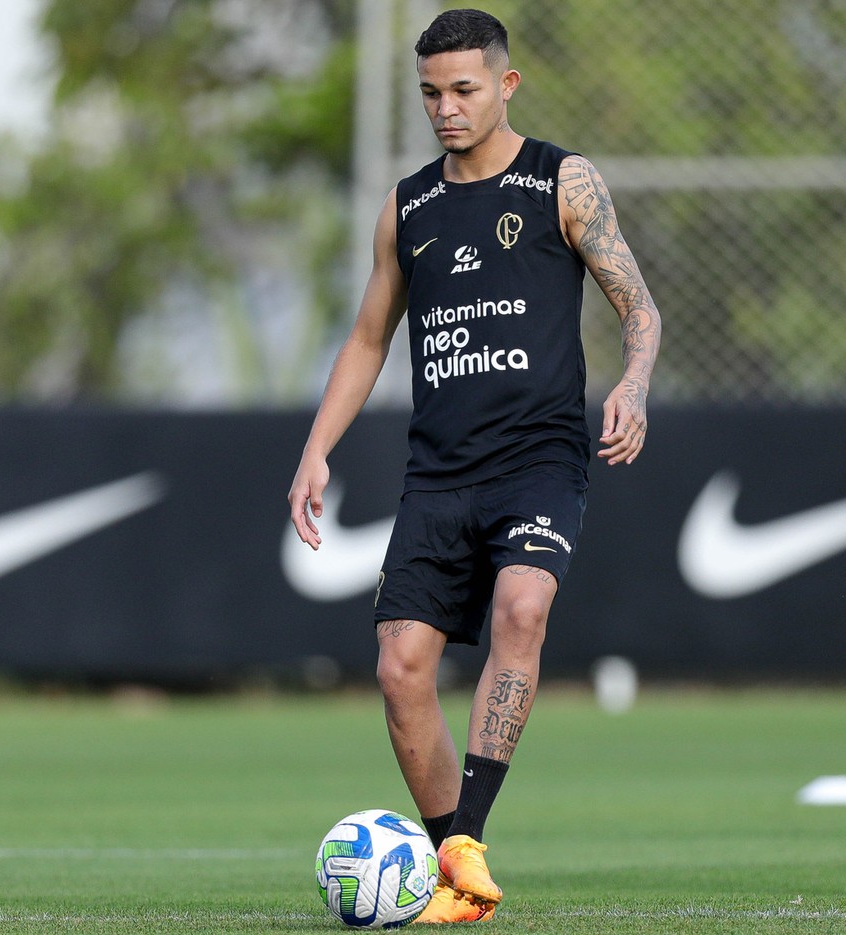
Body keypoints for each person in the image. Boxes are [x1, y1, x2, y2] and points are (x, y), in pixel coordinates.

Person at [288, 7, 661, 925]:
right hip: (438, 475)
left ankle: (465, 844)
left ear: (506, 84)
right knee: (399, 669)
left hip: (539, 460)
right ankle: (455, 876)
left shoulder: (560, 181)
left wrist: (633, 384)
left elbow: (639, 307)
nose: (446, 108)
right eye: (430, 93)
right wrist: (315, 449)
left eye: (463, 89)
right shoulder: (408, 206)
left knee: (522, 608)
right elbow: (368, 337)